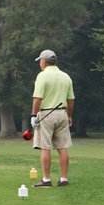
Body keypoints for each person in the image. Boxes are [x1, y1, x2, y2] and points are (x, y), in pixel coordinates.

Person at [30, 49, 75, 187]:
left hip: (46, 114)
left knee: (45, 147)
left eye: (40, 61)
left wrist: (33, 115)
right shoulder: (65, 76)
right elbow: (71, 99)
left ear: (44, 61)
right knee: (62, 147)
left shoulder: (42, 76)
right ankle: (63, 179)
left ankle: (46, 179)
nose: (40, 64)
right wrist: (69, 116)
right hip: (62, 113)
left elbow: (38, 98)